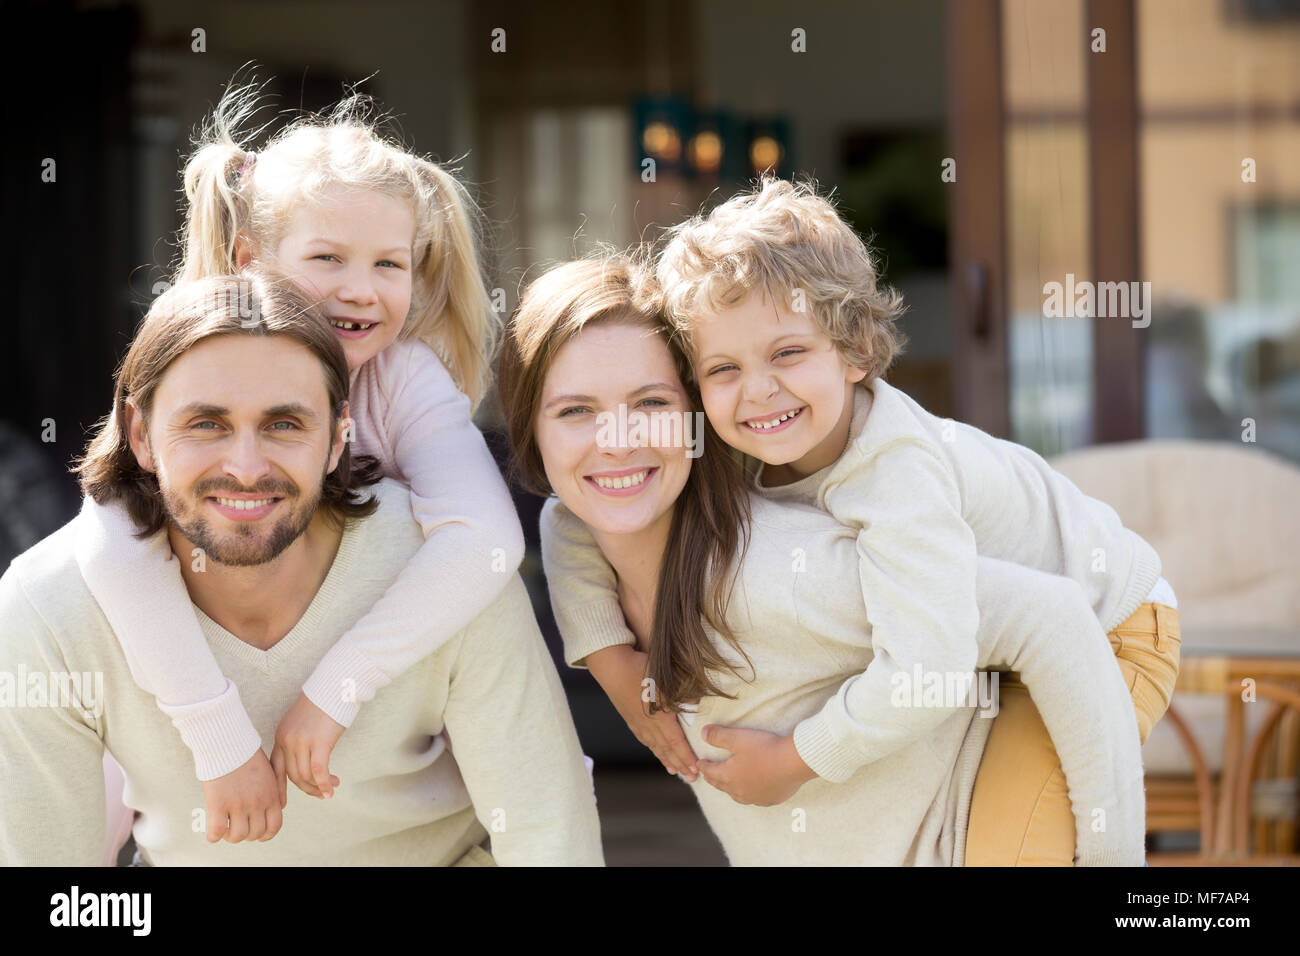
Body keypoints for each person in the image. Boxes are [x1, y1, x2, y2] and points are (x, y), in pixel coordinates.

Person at [500, 253, 1149, 865]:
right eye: (576, 411)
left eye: (651, 404)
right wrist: (615, 664)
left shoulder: (785, 570)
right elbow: (566, 525)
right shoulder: (581, 535)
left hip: (1092, 645)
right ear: (528, 426)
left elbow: (1054, 619)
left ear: (697, 412)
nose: (618, 441)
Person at [0, 273, 602, 866]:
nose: (245, 466)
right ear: (140, 434)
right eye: (206, 423)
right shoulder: (47, 605)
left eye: (284, 425)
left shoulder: (445, 567)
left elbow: (546, 828)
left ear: (341, 436)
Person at [74, 78, 528, 848]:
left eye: (390, 263)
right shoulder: (184, 350)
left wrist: (336, 688)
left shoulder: (403, 376)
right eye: (327, 257)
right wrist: (216, 738)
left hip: (355, 701)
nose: (361, 290)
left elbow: (487, 540)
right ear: (251, 257)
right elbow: (110, 546)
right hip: (188, 675)